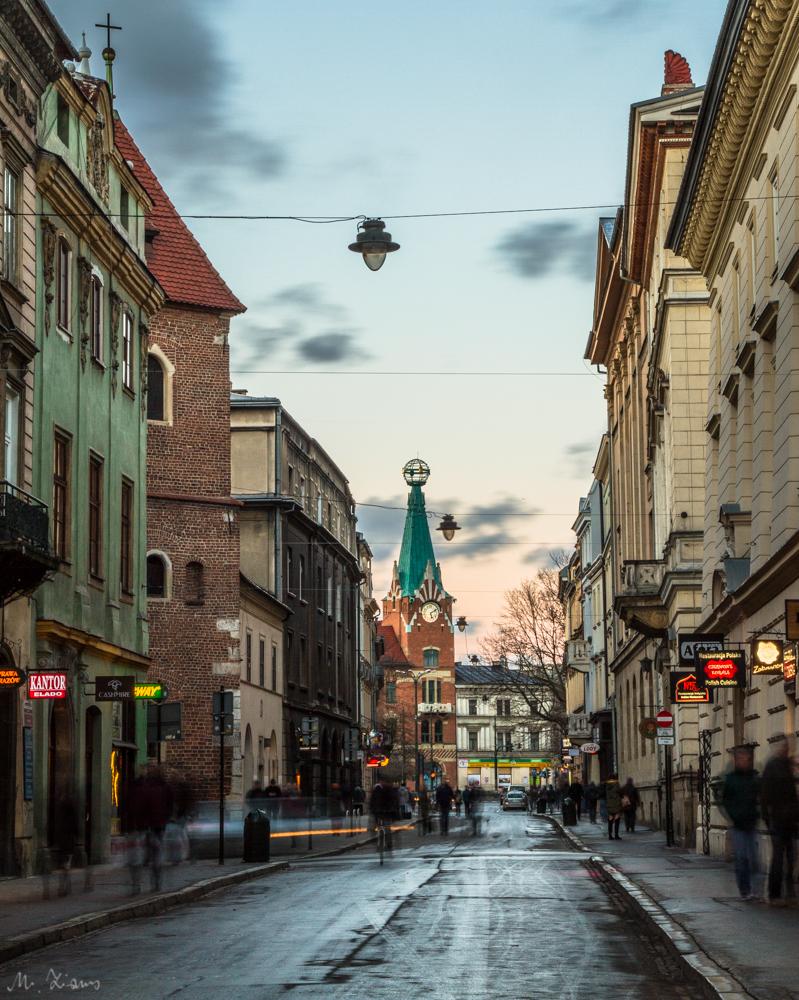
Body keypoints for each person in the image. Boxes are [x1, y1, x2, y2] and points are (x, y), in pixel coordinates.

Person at [760, 736, 798, 906]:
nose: (785, 749)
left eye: (787, 747)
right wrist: (768, 820)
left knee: (791, 857)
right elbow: (765, 796)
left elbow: (791, 796)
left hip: (789, 820)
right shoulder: (773, 767)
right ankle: (774, 894)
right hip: (777, 820)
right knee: (778, 858)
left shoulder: (786, 766)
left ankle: (789, 892)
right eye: (783, 747)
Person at [721, 745, 761, 901]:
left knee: (754, 859)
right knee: (742, 858)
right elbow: (726, 801)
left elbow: (758, 797)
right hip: (739, 825)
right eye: (742, 759)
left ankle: (756, 891)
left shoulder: (753, 778)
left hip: (751, 823)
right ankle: (745, 890)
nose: (745, 762)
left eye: (747, 759)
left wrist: (757, 813)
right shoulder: (732, 779)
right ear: (737, 761)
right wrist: (734, 815)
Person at [605, 773, 623, 841]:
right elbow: (620, 792)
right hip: (616, 803)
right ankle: (616, 834)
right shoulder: (616, 785)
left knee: (610, 819)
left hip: (609, 803)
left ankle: (610, 835)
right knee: (617, 819)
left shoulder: (607, 785)